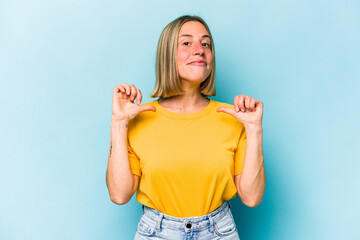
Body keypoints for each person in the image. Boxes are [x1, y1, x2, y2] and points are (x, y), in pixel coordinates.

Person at [106, 15, 265, 240]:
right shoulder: (139, 118)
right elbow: (119, 195)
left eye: (206, 44)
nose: (199, 50)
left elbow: (252, 198)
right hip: (156, 232)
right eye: (187, 43)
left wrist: (255, 129)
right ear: (167, 55)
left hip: (218, 232)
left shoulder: (233, 119)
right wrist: (118, 123)